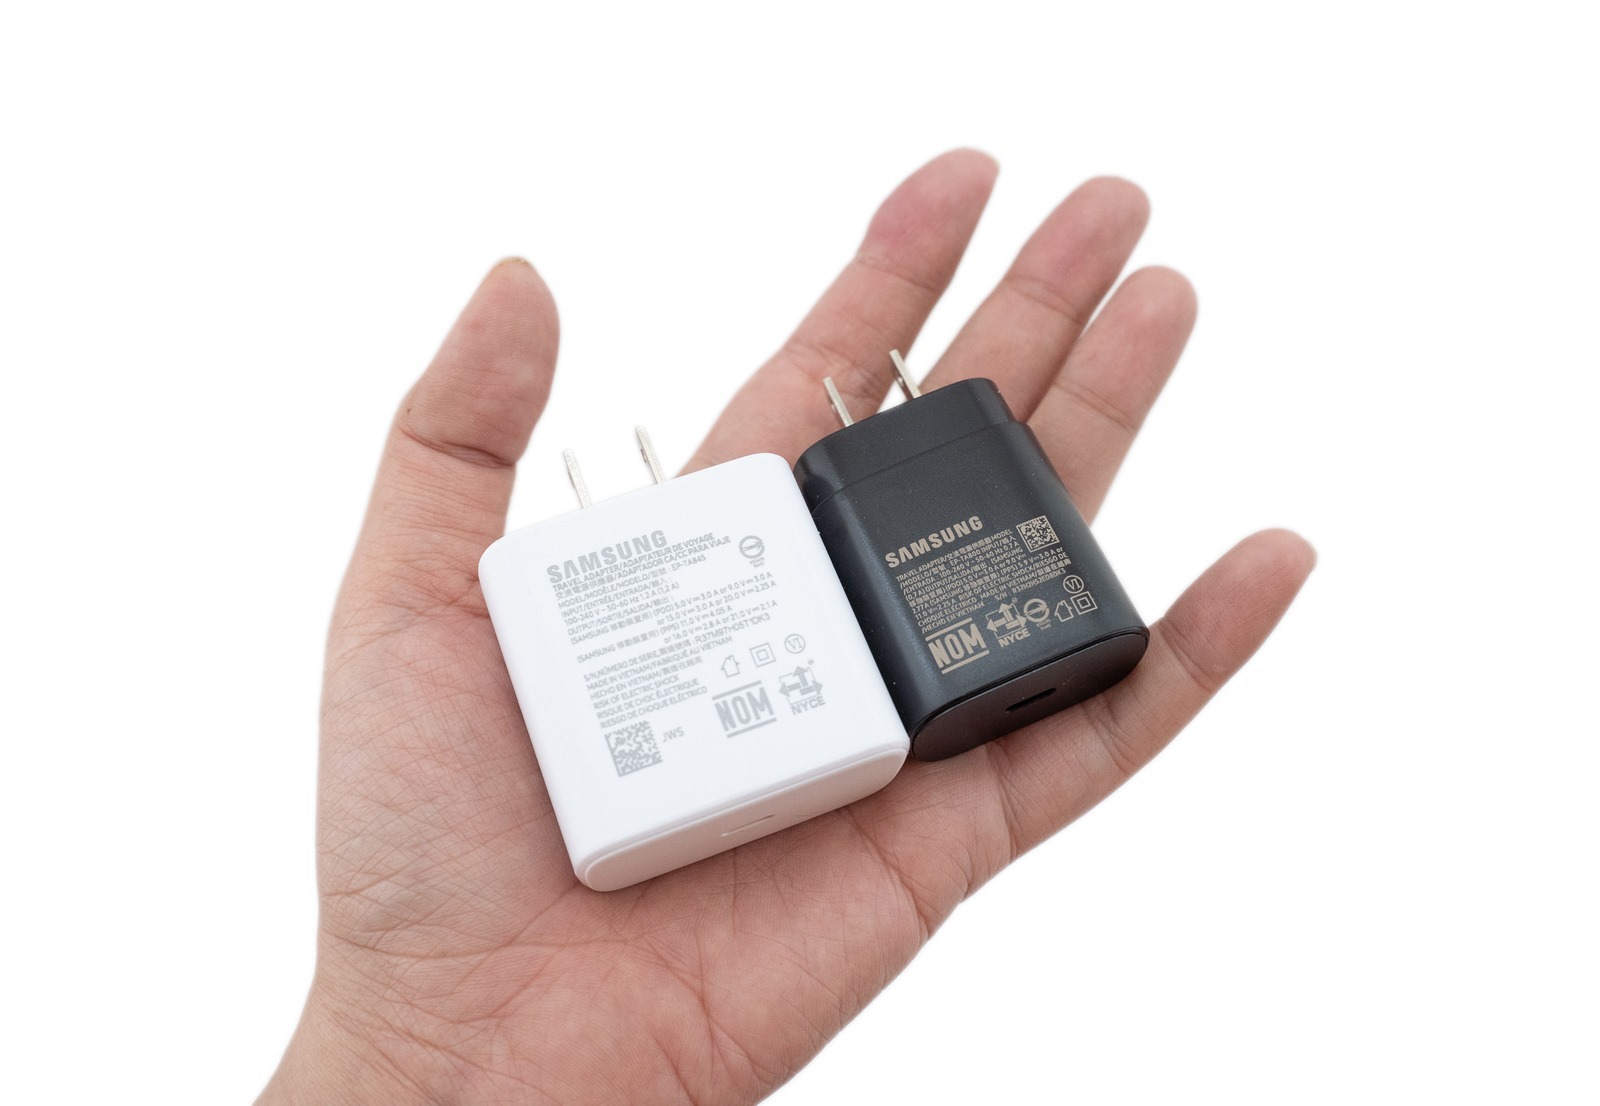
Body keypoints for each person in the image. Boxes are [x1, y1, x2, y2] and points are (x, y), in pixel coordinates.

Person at [257, 149, 1314, 1105]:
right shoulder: (678, 551)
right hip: (820, 758)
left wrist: (412, 1068)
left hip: (874, 738)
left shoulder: (787, 539)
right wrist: (413, 1062)